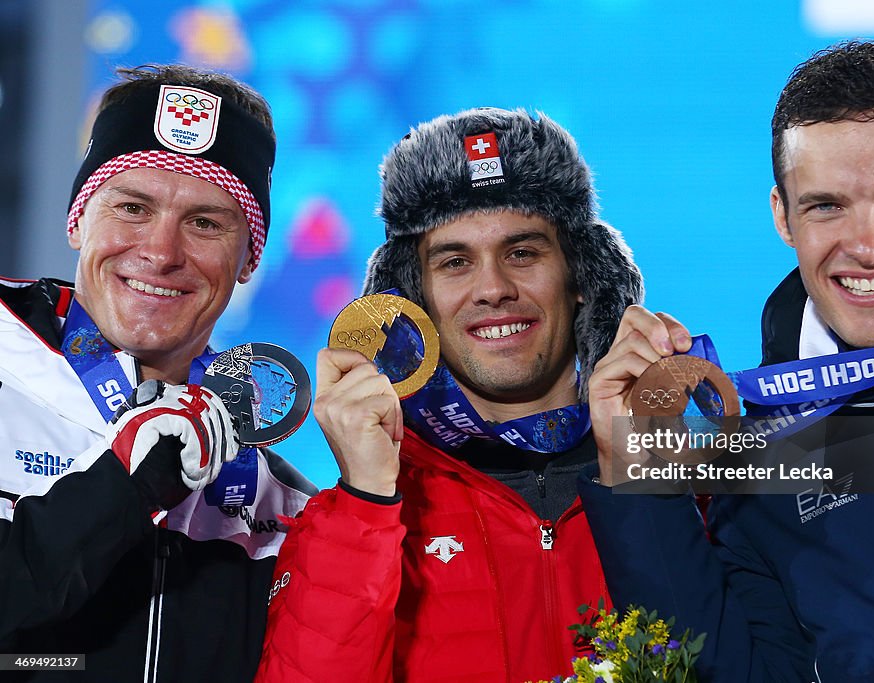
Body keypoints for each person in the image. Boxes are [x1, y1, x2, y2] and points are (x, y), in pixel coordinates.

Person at [580, 41, 874, 681]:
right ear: (782, 216)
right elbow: (731, 671)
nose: (868, 246)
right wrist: (636, 475)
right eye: (827, 206)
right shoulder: (765, 444)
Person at [255, 108, 644, 681]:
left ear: (583, 279)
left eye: (523, 253)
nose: (493, 289)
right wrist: (365, 498)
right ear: (412, 301)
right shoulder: (355, 514)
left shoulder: (674, 480)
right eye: (455, 262)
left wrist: (643, 474)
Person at [0, 65, 315, 682]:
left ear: (248, 259)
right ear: (76, 220)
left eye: (205, 223)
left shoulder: (276, 501)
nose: (162, 252)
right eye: (132, 207)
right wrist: (125, 483)